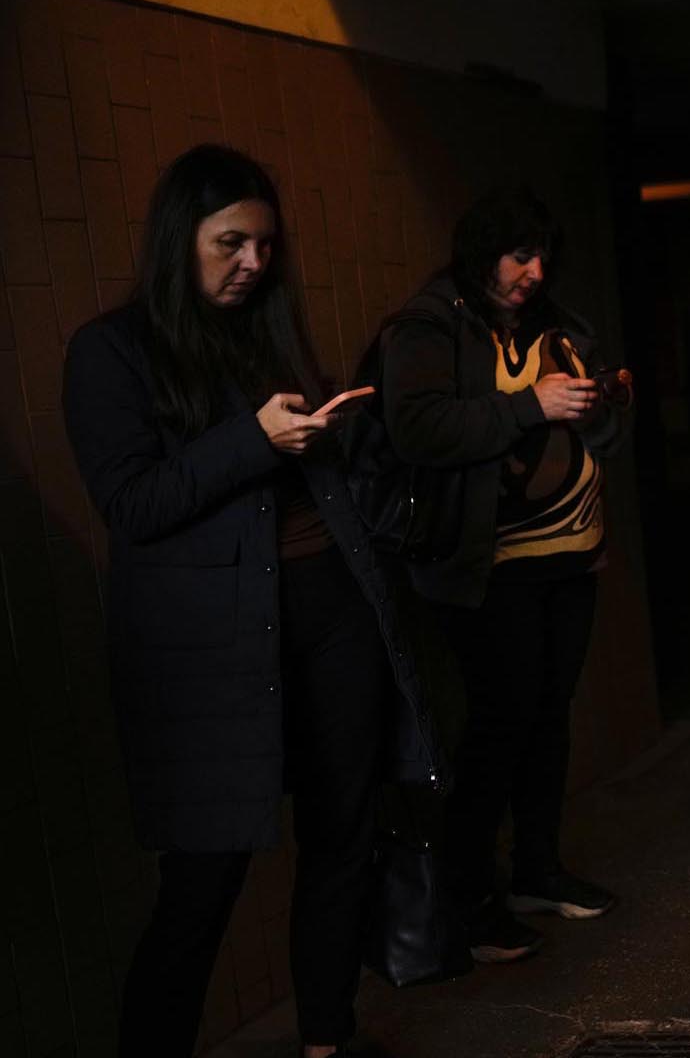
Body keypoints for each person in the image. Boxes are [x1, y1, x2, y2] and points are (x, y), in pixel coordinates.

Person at [62, 144, 437, 1058]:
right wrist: (254, 438)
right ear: (178, 239)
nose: (253, 264)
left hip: (333, 614)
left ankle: (326, 1038)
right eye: (231, 243)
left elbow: (305, 481)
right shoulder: (110, 350)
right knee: (205, 875)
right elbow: (133, 503)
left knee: (343, 836)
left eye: (266, 246)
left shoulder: (266, 334)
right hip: (213, 649)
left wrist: (335, 440)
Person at [380, 186, 629, 963]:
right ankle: (472, 901)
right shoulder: (431, 324)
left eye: (542, 256)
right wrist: (531, 406)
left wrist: (599, 408)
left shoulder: (558, 323)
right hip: (492, 567)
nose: (534, 270)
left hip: (572, 556)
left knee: (549, 715)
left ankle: (537, 871)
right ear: (482, 253)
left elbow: (601, 431)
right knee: (498, 725)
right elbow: (416, 427)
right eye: (520, 256)